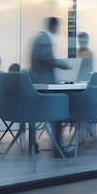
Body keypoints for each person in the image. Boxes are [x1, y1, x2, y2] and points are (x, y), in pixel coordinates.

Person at [29, 17, 73, 158]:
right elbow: (48, 59)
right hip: (43, 84)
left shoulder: (39, 38)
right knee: (59, 112)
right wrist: (65, 65)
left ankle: (33, 145)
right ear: (55, 27)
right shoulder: (45, 39)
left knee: (36, 115)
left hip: (37, 84)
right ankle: (58, 150)